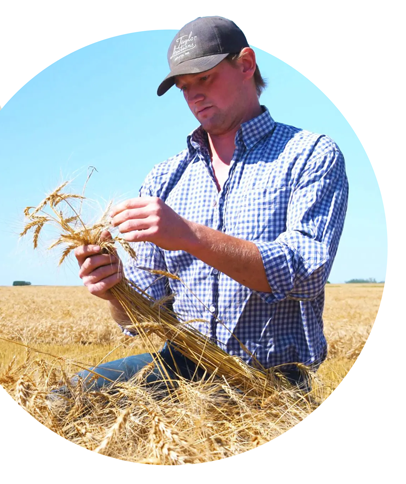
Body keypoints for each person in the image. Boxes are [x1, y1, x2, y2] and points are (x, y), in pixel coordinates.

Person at [73, 16, 348, 392]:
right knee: (71, 396)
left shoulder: (309, 154)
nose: (194, 95)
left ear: (246, 64)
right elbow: (141, 319)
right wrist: (113, 287)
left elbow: (306, 271)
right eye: (184, 87)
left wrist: (189, 235)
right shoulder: (164, 179)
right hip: (183, 368)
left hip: (274, 381)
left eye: (205, 78)